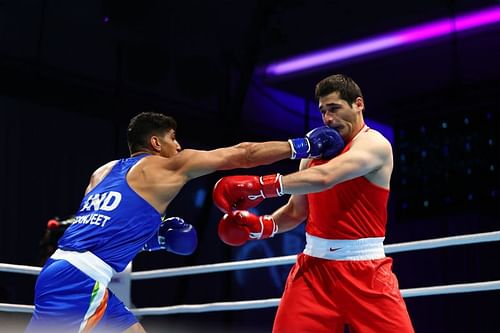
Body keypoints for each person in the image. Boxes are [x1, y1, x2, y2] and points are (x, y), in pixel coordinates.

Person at [26, 111, 344, 333]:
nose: (177, 146)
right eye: (173, 139)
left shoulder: (102, 172)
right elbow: (244, 154)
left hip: (67, 273)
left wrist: (155, 239)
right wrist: (304, 146)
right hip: (79, 283)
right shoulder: (172, 166)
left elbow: (100, 227)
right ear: (155, 143)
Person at [213, 74, 415, 332]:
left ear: (358, 104)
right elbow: (296, 211)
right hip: (313, 271)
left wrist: (261, 186)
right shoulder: (314, 154)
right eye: (323, 111)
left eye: (334, 108)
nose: (328, 118)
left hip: (367, 272)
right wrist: (261, 226)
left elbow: (326, 177)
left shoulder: (374, 144)